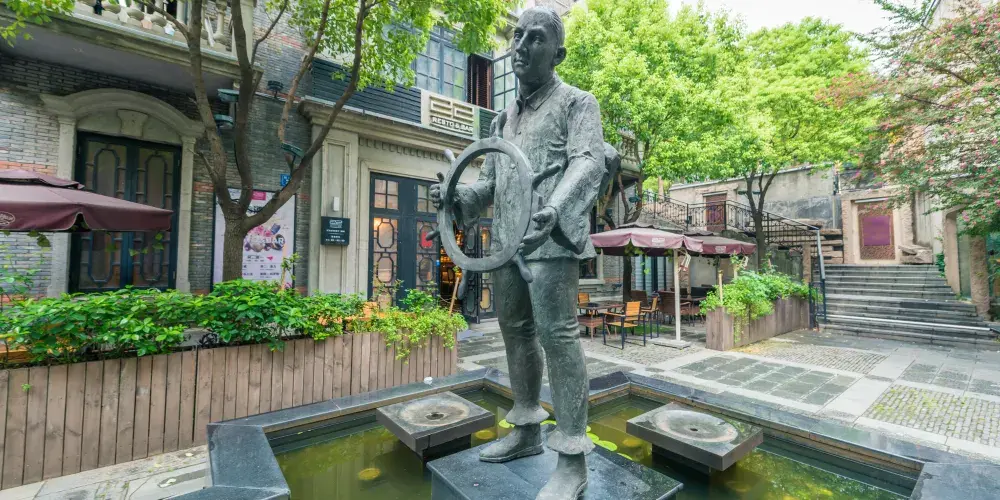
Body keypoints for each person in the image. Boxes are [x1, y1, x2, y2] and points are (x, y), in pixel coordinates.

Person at [430, 7, 606, 499]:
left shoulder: (578, 103)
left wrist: (555, 207)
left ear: (558, 54)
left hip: (550, 244)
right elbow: (488, 184)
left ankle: (572, 458)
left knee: (558, 337)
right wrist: (456, 197)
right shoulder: (501, 118)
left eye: (535, 38)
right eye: (517, 36)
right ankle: (527, 430)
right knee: (515, 334)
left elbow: (588, 163)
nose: (521, 46)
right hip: (506, 246)